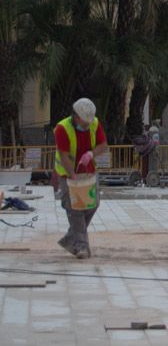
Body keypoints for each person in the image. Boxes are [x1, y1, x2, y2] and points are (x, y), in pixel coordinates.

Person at [54, 98, 108, 259]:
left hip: (88, 172)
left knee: (92, 204)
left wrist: (91, 154)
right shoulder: (62, 128)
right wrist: (73, 177)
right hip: (67, 173)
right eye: (84, 123)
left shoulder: (94, 123)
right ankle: (81, 246)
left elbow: (103, 145)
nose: (87, 126)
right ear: (75, 117)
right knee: (75, 208)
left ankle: (70, 239)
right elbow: (64, 156)